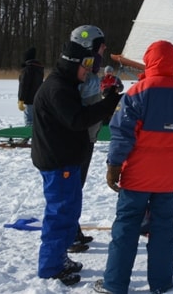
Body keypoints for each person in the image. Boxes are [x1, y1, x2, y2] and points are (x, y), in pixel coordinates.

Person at [93, 39, 173, 294]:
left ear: (148, 61)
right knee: (163, 229)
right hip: (169, 178)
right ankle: (161, 283)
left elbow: (122, 134)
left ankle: (115, 284)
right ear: (172, 62)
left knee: (126, 228)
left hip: (137, 177)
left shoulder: (137, 93)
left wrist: (114, 165)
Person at [31, 39, 121, 286]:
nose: (88, 70)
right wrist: (109, 104)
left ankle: (59, 257)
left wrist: (106, 99)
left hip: (63, 159)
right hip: (57, 162)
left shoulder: (66, 84)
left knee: (68, 212)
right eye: (85, 65)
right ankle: (51, 268)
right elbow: (78, 120)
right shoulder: (58, 88)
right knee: (60, 215)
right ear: (72, 64)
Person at [71, 24, 106, 252]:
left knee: (77, 187)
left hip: (87, 139)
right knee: (71, 189)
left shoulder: (90, 74)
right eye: (100, 46)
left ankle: (73, 228)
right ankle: (69, 233)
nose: (104, 50)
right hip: (77, 141)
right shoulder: (82, 76)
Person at [18, 47, 44, 127]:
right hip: (37, 99)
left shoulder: (27, 69)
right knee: (35, 120)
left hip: (28, 100)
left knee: (29, 121)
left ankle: (29, 133)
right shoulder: (39, 69)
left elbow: (23, 85)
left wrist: (21, 99)